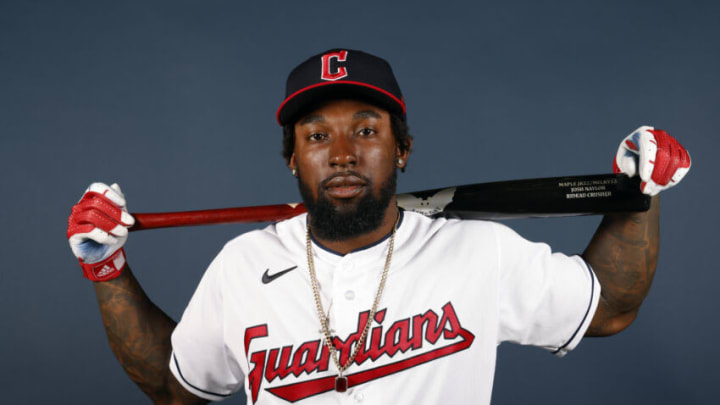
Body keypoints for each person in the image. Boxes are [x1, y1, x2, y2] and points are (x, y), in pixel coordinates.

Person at [67, 49, 691, 404]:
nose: (341, 152)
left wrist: (638, 193)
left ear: (402, 149)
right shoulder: (242, 264)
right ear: (292, 159)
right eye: (317, 136)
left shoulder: (478, 251)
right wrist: (106, 269)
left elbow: (607, 307)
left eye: (366, 130)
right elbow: (179, 390)